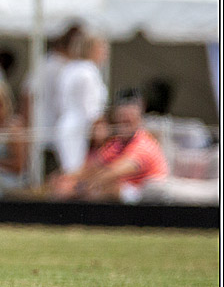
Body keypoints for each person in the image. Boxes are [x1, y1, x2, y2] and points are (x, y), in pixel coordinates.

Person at [51, 92, 168, 202]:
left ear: (138, 121)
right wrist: (66, 177)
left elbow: (114, 172)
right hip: (127, 191)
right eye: (121, 120)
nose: (123, 125)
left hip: (145, 193)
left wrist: (80, 185)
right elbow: (94, 166)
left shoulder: (143, 144)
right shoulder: (116, 144)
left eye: (128, 121)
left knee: (107, 187)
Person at [22, 24, 84, 176]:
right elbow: (28, 96)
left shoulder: (53, 65)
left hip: (58, 136)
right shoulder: (50, 65)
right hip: (49, 135)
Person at [53, 32, 108, 175]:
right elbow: (91, 108)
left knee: (69, 169)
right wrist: (99, 128)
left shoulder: (69, 68)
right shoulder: (89, 71)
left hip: (65, 124)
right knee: (76, 171)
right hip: (80, 127)